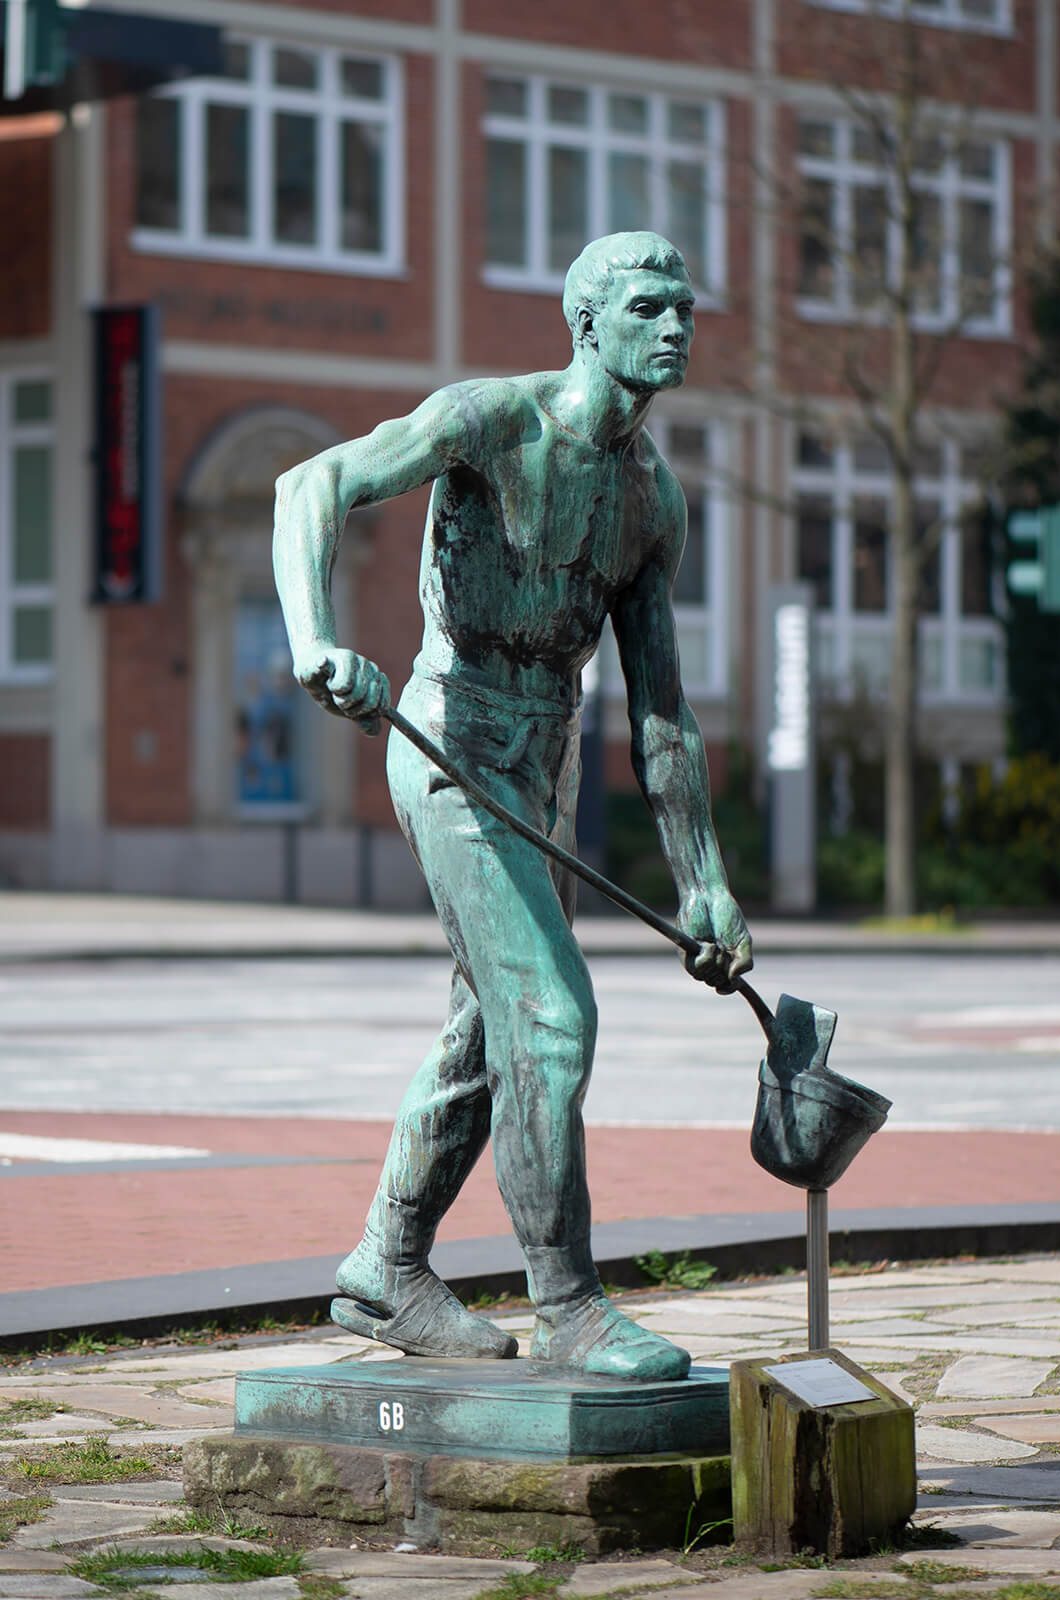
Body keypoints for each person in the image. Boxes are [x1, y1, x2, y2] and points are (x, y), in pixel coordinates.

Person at [273, 231, 753, 1383]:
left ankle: (388, 1264)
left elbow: (665, 712)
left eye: (686, 307)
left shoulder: (652, 499)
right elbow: (313, 483)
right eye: (650, 306)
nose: (677, 326)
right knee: (551, 1019)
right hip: (449, 740)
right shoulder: (492, 420)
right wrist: (315, 644)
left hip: (548, 762)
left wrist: (705, 882)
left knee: (492, 1029)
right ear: (587, 321)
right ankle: (571, 1305)